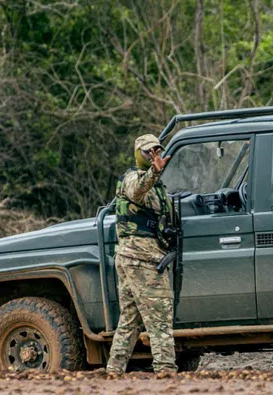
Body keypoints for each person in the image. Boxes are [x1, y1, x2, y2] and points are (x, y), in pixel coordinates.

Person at [106, 134, 177, 375]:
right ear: (138, 154)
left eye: (157, 150)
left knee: (130, 320)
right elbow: (137, 191)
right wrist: (154, 171)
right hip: (141, 259)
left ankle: (114, 371)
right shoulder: (132, 178)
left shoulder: (156, 186)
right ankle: (166, 369)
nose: (153, 155)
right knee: (160, 316)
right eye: (148, 151)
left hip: (139, 257)